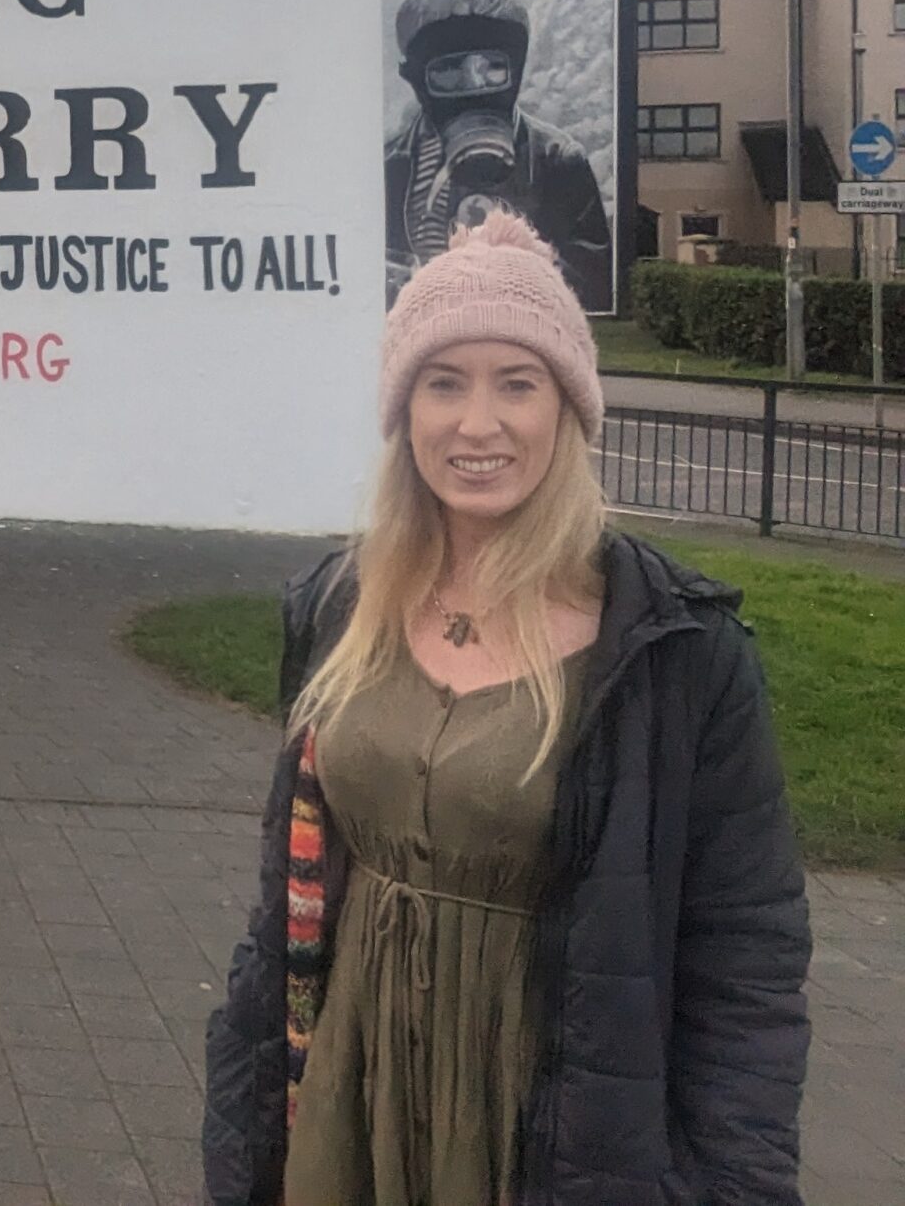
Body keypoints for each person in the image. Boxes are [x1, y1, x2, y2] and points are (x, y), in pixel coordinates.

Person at [204, 210, 810, 1206]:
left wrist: (733, 1182)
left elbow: (745, 959)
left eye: (515, 384)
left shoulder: (672, 651)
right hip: (344, 1106)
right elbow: (285, 899)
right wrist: (241, 1109)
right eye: (443, 383)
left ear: (568, 410)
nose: (475, 424)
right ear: (406, 413)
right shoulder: (338, 609)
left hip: (550, 1135)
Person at [384, 0, 612, 309]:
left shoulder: (557, 161)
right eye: (448, 71)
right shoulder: (392, 166)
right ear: (414, 79)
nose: (475, 86)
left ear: (516, 70)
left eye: (493, 68)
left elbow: (589, 286)